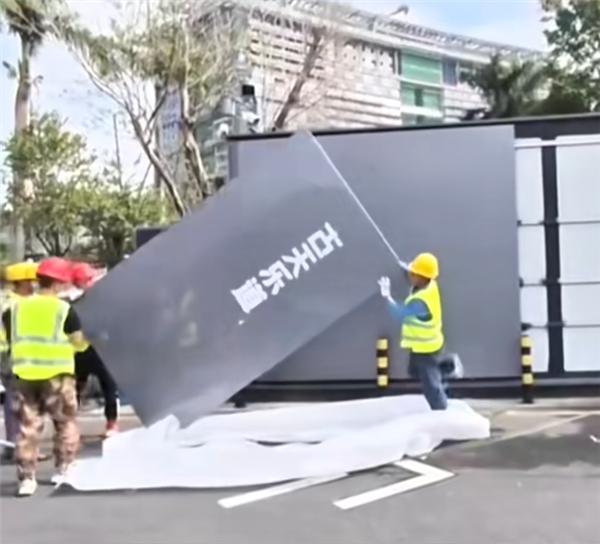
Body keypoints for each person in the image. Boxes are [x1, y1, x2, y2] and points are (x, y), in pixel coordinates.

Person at [2, 257, 89, 496]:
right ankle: (63, 468)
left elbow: (7, 340)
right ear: (60, 283)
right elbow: (79, 343)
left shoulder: (14, 309)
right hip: (57, 376)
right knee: (65, 422)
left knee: (28, 427)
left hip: (24, 375)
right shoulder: (63, 309)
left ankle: (26, 478)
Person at [378, 252, 463, 411]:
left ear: (422, 277)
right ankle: (447, 366)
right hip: (430, 343)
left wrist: (387, 296)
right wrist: (407, 268)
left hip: (426, 349)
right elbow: (418, 276)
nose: (410, 275)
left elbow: (399, 314)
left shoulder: (420, 302)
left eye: (413, 273)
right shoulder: (431, 285)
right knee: (413, 371)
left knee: (430, 384)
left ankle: (440, 409)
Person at [69, 262, 119, 437]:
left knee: (105, 387)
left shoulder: (77, 302)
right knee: (104, 387)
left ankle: (110, 423)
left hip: (90, 350)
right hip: (90, 350)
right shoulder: (79, 302)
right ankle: (110, 424)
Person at [0, 261, 38, 463]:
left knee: (14, 403)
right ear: (21, 282)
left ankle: (15, 443)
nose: (34, 284)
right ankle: (21, 446)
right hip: (14, 358)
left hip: (11, 357)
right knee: (21, 404)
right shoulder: (15, 304)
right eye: (30, 280)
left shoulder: (9, 300)